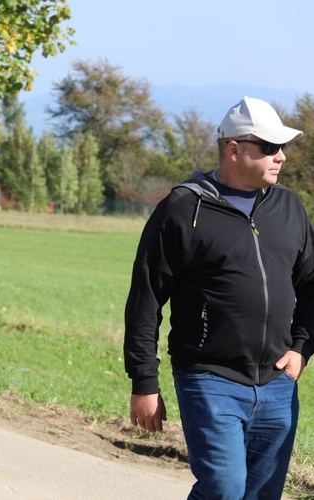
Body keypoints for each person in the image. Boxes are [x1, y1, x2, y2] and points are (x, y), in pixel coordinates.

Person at [124, 96, 314, 499]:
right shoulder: (181, 210)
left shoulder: (289, 207)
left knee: (263, 495)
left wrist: (302, 347)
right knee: (224, 490)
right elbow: (145, 299)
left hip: (279, 382)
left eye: (282, 147)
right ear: (234, 149)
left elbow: (312, 285)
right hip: (209, 378)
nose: (280, 157)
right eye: (268, 147)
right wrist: (144, 382)